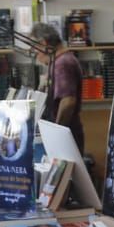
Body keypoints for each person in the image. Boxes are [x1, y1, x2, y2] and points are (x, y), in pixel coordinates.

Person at [31, 21, 84, 153]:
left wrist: (56, 134)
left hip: (66, 138)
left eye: (34, 49)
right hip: (70, 133)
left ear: (43, 44)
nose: (35, 54)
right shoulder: (63, 60)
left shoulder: (62, 64)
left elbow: (68, 101)